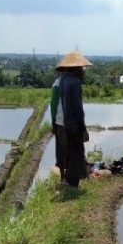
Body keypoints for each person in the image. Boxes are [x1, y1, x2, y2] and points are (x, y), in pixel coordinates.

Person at [55, 50, 92, 187]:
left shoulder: (63, 80)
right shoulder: (75, 83)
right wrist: (83, 129)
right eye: (82, 68)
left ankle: (70, 182)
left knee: (71, 153)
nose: (83, 71)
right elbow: (78, 109)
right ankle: (73, 184)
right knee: (77, 154)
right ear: (76, 68)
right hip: (75, 125)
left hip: (67, 123)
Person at [50, 67, 67, 183]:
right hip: (72, 123)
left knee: (61, 150)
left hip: (61, 123)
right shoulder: (75, 83)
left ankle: (63, 177)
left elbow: (53, 106)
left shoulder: (57, 84)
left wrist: (53, 123)